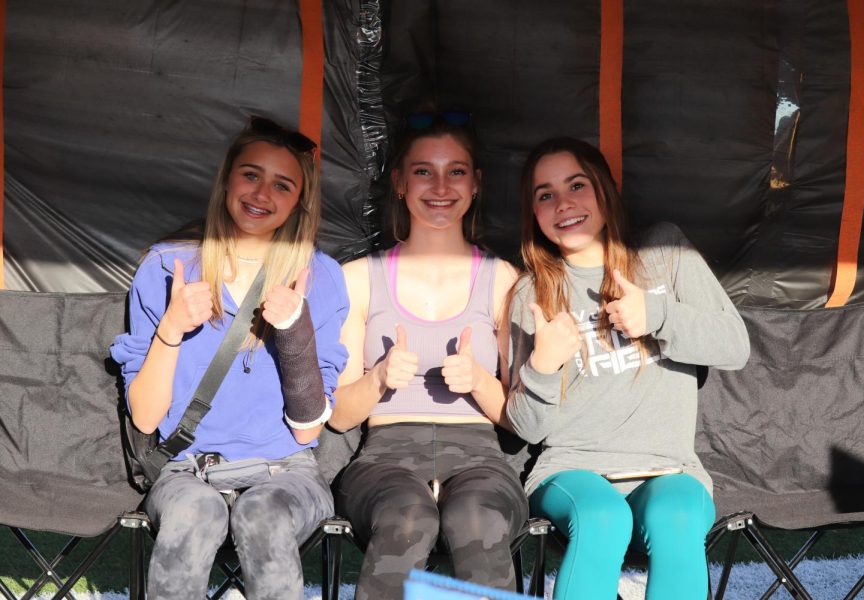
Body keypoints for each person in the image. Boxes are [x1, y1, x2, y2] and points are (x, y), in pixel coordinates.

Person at [111, 116, 349, 599]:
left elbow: (307, 430)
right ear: (227, 179)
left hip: (286, 471)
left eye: (282, 184)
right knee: (193, 514)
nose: (262, 193)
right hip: (187, 469)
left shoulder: (319, 276)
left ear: (299, 201)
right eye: (251, 174)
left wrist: (294, 331)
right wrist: (171, 329)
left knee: (262, 516)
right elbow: (146, 415)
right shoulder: (166, 265)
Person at [505, 137, 750, 599]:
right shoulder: (529, 293)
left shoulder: (664, 253)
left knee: (677, 516)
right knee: (602, 517)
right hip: (572, 473)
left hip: (670, 470)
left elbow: (735, 346)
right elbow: (528, 430)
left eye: (577, 185)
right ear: (533, 213)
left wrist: (658, 317)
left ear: (604, 189)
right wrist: (541, 365)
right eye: (545, 194)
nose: (564, 204)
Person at [329, 111, 529, 599]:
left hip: (481, 456)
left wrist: (481, 381)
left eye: (456, 171)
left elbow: (525, 420)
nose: (440, 185)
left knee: (475, 516)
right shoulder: (357, 279)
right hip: (385, 458)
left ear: (476, 183)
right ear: (399, 182)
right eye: (423, 170)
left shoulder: (505, 281)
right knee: (407, 515)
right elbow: (336, 416)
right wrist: (377, 379)